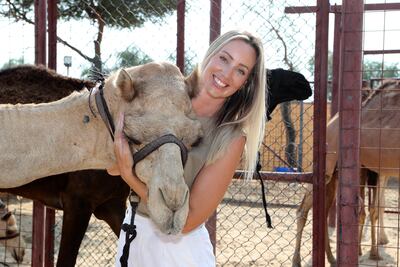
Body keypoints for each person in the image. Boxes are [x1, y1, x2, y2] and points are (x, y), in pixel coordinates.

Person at [109, 30, 266, 267]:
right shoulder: (162, 100)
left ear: (246, 82)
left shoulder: (230, 137)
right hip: (133, 234)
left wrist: (129, 175)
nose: (226, 73)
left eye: (240, 70)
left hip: (180, 253)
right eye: (224, 59)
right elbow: (111, 169)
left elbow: (189, 220)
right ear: (211, 55)